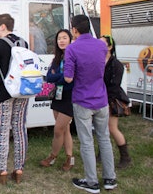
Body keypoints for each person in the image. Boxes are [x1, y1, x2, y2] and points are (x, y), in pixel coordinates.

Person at [64, 15, 117, 193]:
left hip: (82, 100)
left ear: (74, 30)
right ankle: (110, 179)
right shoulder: (101, 45)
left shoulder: (72, 49)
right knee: (104, 138)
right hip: (101, 99)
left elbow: (68, 77)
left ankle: (92, 182)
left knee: (86, 141)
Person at [0, 13, 29, 185]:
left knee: (2, 132)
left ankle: (2, 171)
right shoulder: (23, 43)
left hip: (2, 94)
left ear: (3, 27)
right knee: (20, 129)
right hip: (22, 92)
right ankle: (18, 169)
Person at [40, 29, 75, 171]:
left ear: (71, 40)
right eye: (59, 38)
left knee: (58, 129)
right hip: (57, 95)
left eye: (64, 37)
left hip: (70, 96)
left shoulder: (73, 57)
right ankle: (69, 158)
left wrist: (58, 77)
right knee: (65, 129)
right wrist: (61, 77)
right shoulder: (57, 58)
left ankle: (52, 156)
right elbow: (49, 77)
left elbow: (71, 81)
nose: (61, 40)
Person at [100, 35, 131, 169]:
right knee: (102, 128)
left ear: (110, 47)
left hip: (112, 100)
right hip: (100, 99)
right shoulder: (98, 61)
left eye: (102, 44)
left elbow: (114, 86)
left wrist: (106, 102)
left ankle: (125, 157)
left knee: (112, 128)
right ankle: (101, 154)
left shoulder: (116, 64)